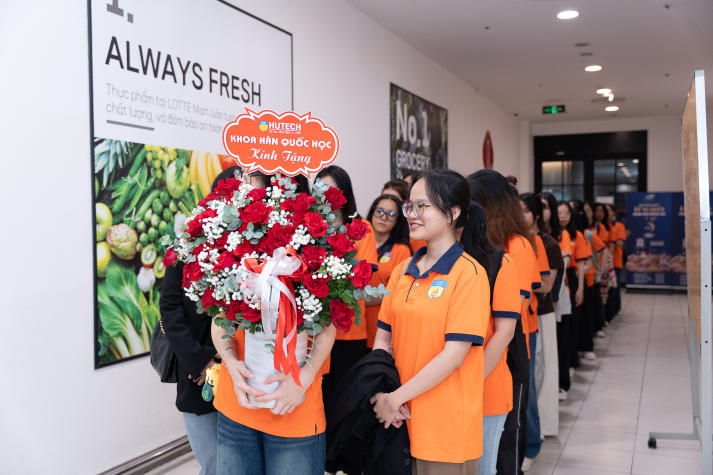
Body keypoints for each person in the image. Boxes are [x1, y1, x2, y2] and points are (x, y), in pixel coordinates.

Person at [210, 170, 336, 475]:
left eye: (250, 189)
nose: (243, 197)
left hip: (295, 406)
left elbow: (328, 327)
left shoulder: (319, 252)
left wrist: (301, 380)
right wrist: (231, 364)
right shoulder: (235, 246)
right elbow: (219, 320)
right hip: (238, 402)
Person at [372, 169, 491, 474]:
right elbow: (383, 337)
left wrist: (395, 398)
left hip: (445, 426)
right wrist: (381, 390)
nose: (411, 214)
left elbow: (453, 357)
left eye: (422, 206)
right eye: (409, 206)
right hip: (399, 418)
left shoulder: (470, 275)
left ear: (453, 213)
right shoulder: (402, 270)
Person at [158, 166, 241, 475]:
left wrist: (223, 356)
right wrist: (202, 361)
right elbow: (170, 310)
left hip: (240, 370)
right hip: (197, 375)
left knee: (238, 463)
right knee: (216, 463)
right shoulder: (185, 248)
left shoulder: (253, 252)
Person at [467, 169, 540, 475]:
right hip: (471, 352)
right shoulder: (472, 244)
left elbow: (513, 312)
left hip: (506, 353)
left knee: (506, 436)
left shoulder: (516, 246)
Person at [315, 165, 379, 474]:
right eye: (320, 189)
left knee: (349, 402)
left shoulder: (361, 228)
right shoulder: (309, 227)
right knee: (322, 401)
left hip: (350, 332)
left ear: (345, 193)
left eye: (332, 190)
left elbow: (361, 278)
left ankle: (349, 461)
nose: (326, 196)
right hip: (314, 333)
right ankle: (325, 460)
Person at [459, 200, 520, 475]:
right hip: (441, 388)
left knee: (482, 468)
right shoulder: (432, 262)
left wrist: (472, 378)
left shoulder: (499, 262)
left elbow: (505, 332)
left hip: (485, 385)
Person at [519, 193, 563, 471]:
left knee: (529, 387)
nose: (521, 215)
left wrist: (519, 281)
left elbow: (545, 285)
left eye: (526, 211)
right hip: (506, 323)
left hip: (530, 320)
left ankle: (532, 443)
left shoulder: (536, 243)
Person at [364, 194, 412, 348]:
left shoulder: (402, 251)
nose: (384, 217)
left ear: (398, 220)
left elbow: (397, 291)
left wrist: (359, 298)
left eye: (391, 214)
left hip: (380, 328)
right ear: (372, 212)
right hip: (353, 327)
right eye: (380, 211)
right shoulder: (357, 243)